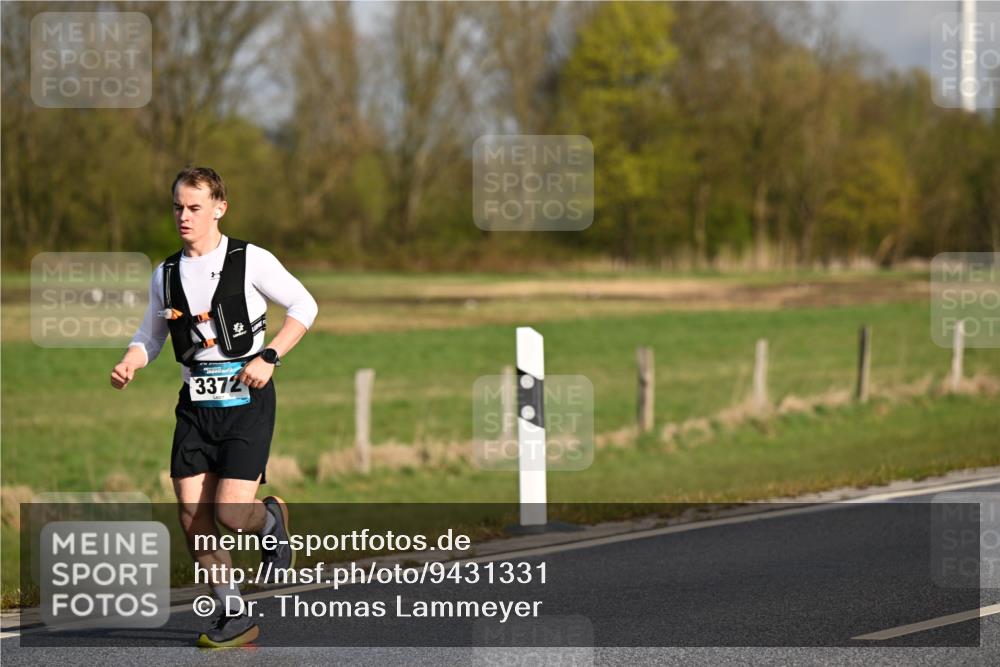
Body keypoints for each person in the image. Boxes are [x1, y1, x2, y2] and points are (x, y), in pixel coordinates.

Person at [110, 166, 318, 647]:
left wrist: (270, 355)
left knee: (229, 512)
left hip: (248, 400)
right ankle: (233, 610)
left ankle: (269, 520)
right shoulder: (164, 273)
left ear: (219, 208)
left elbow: (304, 306)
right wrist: (130, 361)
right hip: (195, 406)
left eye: (194, 207)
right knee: (191, 515)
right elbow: (150, 334)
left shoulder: (251, 259)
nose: (184, 216)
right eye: (178, 207)